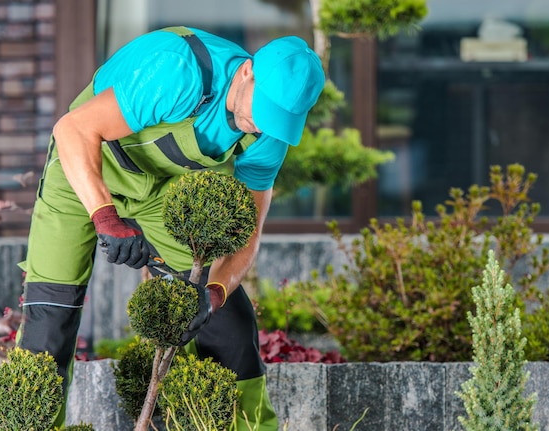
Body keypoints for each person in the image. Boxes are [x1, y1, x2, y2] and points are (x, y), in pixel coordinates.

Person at [16, 25, 325, 430]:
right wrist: (106, 217)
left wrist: (213, 294)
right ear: (247, 71)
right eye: (261, 108)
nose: (260, 124)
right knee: (51, 314)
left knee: (225, 316)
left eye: (277, 119)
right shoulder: (179, 71)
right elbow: (73, 129)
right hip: (84, 167)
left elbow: (247, 233)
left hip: (163, 190)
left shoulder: (268, 135)